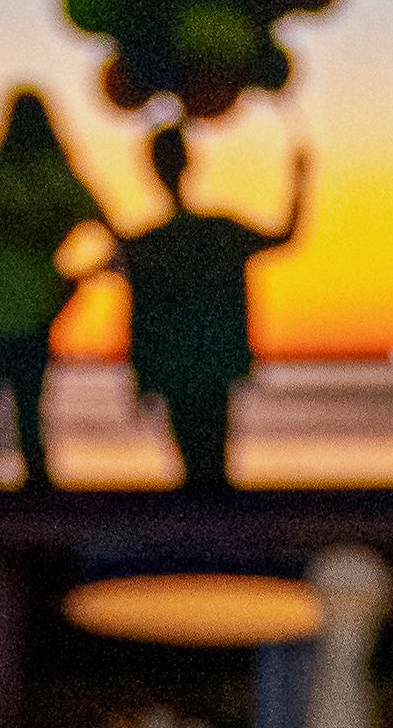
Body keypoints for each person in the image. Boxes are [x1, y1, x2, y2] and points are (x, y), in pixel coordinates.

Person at [120, 118, 310, 496]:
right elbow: (285, 235)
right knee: (213, 465)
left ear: (153, 171)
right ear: (190, 163)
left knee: (193, 466)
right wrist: (301, 181)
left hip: (174, 362)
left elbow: (137, 316)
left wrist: (140, 374)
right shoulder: (220, 231)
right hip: (216, 357)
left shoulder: (146, 243)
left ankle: (203, 542)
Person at [0, 85, 111, 497]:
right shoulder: (62, 180)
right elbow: (112, 236)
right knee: (30, 424)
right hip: (27, 310)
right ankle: (37, 519)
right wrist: (76, 278)